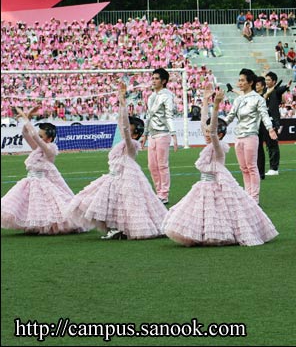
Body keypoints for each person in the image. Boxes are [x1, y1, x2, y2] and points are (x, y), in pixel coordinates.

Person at [163, 84, 278, 246]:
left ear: (220, 133)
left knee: (220, 212)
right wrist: (204, 100)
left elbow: (212, 130)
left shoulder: (218, 146)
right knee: (203, 213)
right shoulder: (210, 142)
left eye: (212, 131)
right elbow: (204, 123)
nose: (207, 133)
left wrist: (216, 107)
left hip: (216, 184)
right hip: (203, 185)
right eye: (207, 131)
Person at [68, 83, 167, 240]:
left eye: (130, 128)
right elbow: (123, 126)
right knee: (109, 203)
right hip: (114, 176)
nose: (125, 129)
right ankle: (115, 229)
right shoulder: (124, 142)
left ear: (135, 133)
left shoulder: (132, 144)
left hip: (125, 177)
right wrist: (121, 103)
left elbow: (125, 129)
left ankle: (119, 229)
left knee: (123, 205)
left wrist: (123, 104)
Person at [1, 107, 85, 234]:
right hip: (31, 180)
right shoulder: (38, 148)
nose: (39, 137)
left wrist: (25, 116)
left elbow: (35, 137)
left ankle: (46, 227)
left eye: (42, 135)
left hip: (42, 182)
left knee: (46, 207)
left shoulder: (50, 150)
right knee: (30, 206)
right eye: (39, 134)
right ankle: (34, 226)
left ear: (49, 138)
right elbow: (26, 134)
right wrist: (28, 117)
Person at [224, 68, 278, 204]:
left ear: (250, 82)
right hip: (239, 137)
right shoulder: (238, 100)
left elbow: (265, 115)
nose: (239, 83)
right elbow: (229, 117)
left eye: (242, 80)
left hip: (251, 136)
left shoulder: (258, 99)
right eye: (239, 80)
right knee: (243, 168)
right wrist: (218, 124)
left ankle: (254, 197)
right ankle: (247, 195)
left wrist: (270, 129)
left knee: (251, 167)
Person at [139, 68, 178, 205]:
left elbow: (169, 115)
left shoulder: (167, 95)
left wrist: (173, 133)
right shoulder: (151, 97)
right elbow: (148, 117)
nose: (153, 81)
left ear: (164, 81)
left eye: (156, 78)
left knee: (162, 165)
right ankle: (158, 192)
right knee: (151, 165)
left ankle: (164, 194)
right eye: (153, 78)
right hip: (152, 135)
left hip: (163, 133)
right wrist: (145, 134)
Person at [257, 72, 291, 178]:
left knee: (272, 145)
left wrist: (286, 87)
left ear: (274, 82)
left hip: (272, 122)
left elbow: (281, 89)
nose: (266, 82)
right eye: (265, 80)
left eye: (268, 80)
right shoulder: (262, 92)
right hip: (262, 122)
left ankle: (274, 168)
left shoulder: (276, 91)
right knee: (261, 146)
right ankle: (262, 168)